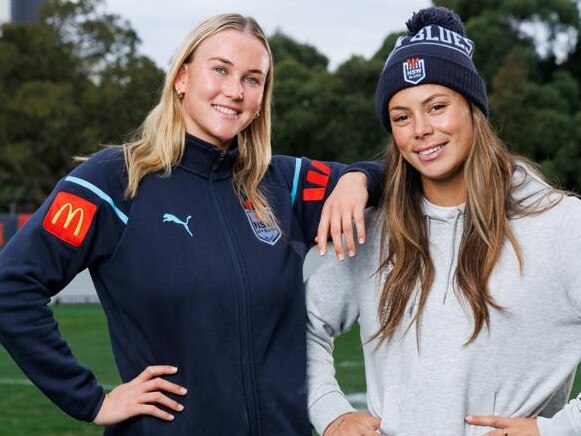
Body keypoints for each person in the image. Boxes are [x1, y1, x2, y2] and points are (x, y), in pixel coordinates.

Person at [0, 13, 383, 435]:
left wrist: (358, 177)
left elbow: (410, 174)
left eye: (252, 79)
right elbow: (11, 285)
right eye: (220, 69)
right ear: (182, 77)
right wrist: (89, 400)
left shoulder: (282, 183)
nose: (234, 91)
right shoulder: (114, 180)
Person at [306, 6, 581, 436]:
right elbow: (303, 327)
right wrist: (331, 413)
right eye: (402, 117)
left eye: (437, 106)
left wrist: (556, 429)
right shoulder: (374, 229)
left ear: (473, 109)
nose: (421, 129)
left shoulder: (563, 224)